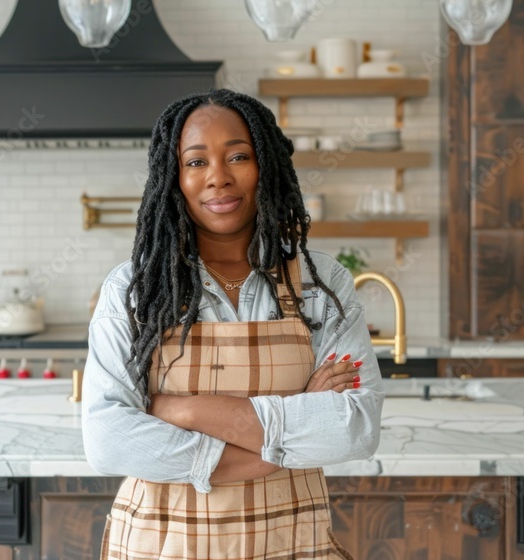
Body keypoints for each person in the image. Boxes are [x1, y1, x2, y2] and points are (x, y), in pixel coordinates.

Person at [82, 88, 385, 559]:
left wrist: (182, 409)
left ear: (266, 165)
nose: (218, 178)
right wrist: (293, 420)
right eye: (196, 162)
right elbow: (107, 442)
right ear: (173, 177)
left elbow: (355, 428)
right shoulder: (135, 290)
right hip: (162, 546)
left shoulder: (320, 285)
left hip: (291, 542)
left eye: (238, 156)